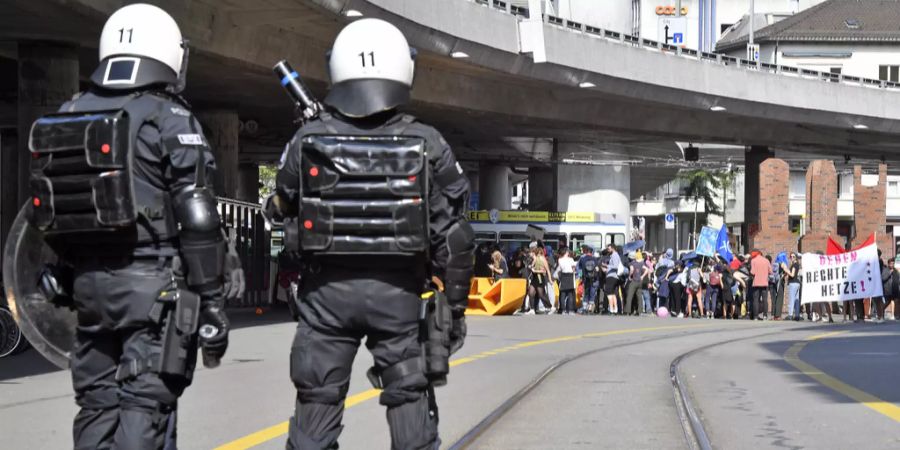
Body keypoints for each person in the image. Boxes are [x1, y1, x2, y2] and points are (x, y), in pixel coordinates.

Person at [17, 5, 242, 448]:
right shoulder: (169, 118)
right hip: (153, 290)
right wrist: (213, 302)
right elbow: (198, 215)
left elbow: (50, 208)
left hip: (85, 289)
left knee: (96, 408)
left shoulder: (70, 111)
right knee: (146, 409)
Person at [268, 19, 474, 449]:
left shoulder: (308, 138)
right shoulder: (427, 141)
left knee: (316, 408)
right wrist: (452, 310)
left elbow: (279, 205)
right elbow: (454, 237)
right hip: (398, 298)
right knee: (409, 404)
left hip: (325, 299)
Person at [529, 247, 554, 314]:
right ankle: (532, 309)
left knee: (541, 294)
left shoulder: (543, 259)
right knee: (531, 293)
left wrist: (550, 280)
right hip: (534, 278)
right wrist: (531, 267)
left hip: (540, 278)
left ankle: (550, 307)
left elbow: (546, 271)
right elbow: (532, 266)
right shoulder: (535, 259)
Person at [577, 245, 600, 314]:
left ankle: (584, 308)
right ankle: (590, 308)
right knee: (592, 293)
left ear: (586, 251)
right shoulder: (595, 259)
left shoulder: (582, 259)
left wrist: (580, 277)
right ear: (592, 252)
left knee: (586, 293)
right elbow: (597, 269)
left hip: (585, 278)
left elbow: (579, 269)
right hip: (594, 279)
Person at [750, 250, 772, 320]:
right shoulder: (766, 261)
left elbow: (752, 272)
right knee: (765, 300)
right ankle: (765, 315)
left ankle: (756, 316)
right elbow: (770, 272)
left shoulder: (753, 261)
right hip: (764, 283)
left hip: (756, 283)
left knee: (756, 300)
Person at [556, 249, 578, 315]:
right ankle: (570, 310)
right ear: (566, 253)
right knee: (570, 294)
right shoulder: (571, 259)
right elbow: (573, 268)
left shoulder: (560, 260)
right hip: (570, 275)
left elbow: (560, 268)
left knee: (563, 293)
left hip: (563, 275)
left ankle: (563, 310)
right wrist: (574, 272)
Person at [603, 243, 622, 314]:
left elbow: (615, 266)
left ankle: (611, 309)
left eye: (609, 248)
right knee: (613, 293)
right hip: (613, 276)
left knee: (609, 293)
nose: (608, 250)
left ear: (613, 248)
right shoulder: (614, 255)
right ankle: (615, 309)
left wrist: (607, 266)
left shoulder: (614, 255)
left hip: (611, 276)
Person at [785, 253, 802, 321]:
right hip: (797, 283)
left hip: (793, 283)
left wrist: (786, 270)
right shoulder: (796, 264)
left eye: (793, 256)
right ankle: (797, 315)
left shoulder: (794, 265)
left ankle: (790, 315)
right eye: (791, 256)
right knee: (796, 300)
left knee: (791, 299)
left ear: (796, 258)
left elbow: (792, 275)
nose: (792, 257)